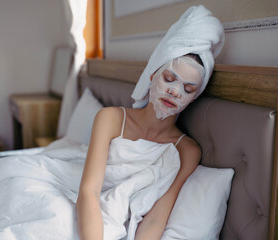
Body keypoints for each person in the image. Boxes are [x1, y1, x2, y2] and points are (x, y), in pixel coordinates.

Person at [76, 5, 225, 240]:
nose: (175, 92)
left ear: (194, 97)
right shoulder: (111, 119)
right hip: (84, 211)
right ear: (153, 75)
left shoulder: (187, 151)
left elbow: (157, 216)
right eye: (169, 79)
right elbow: (88, 191)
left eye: (187, 88)